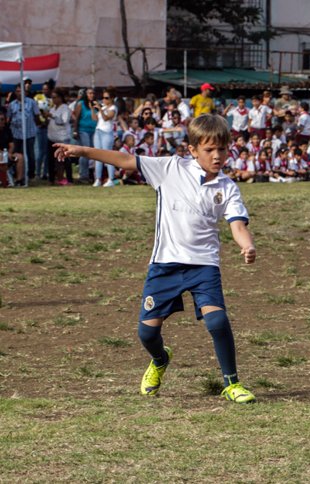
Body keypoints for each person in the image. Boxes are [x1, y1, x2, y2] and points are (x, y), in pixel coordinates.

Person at [53, 114, 258, 404]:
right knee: (147, 334)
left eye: (222, 149)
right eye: (209, 150)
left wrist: (247, 246)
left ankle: (232, 384)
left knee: (217, 321)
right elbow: (125, 160)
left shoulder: (227, 187)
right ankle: (160, 360)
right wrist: (82, 150)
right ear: (192, 150)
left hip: (204, 265)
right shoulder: (169, 168)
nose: (217, 156)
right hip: (165, 265)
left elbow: (237, 225)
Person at [7, 83, 40, 181]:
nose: (19, 93)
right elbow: (9, 118)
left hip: (29, 133)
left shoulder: (31, 102)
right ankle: (18, 175)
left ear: (25, 92)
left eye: (21, 91)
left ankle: (31, 175)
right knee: (17, 155)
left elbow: (37, 116)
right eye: (17, 91)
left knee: (31, 155)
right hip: (16, 134)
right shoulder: (12, 105)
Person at [91, 87, 118, 187]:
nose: (104, 100)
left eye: (106, 98)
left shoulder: (113, 108)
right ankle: (98, 179)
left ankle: (111, 179)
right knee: (97, 156)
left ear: (112, 98)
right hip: (98, 131)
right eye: (103, 98)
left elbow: (106, 118)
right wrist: (92, 109)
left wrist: (100, 109)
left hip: (107, 132)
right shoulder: (102, 107)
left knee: (108, 156)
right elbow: (95, 119)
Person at [46, 89, 73, 185]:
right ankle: (52, 179)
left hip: (62, 138)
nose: (53, 99)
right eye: (52, 97)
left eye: (55, 97)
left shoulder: (65, 108)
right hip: (51, 137)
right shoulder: (53, 108)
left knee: (65, 159)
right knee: (51, 159)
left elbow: (63, 121)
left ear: (60, 98)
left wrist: (52, 116)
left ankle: (70, 180)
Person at [73, 87, 97, 183]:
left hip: (94, 131)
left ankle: (90, 174)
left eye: (93, 93)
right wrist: (75, 130)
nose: (91, 95)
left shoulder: (95, 105)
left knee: (91, 152)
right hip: (83, 130)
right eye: (89, 93)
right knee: (85, 151)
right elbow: (76, 118)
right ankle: (83, 175)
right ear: (86, 94)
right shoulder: (81, 104)